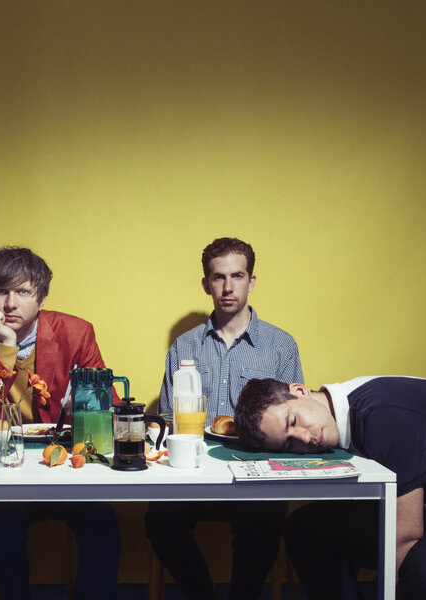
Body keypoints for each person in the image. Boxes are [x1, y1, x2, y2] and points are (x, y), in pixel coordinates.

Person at [0, 246, 121, 600]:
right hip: (4, 470)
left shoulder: (76, 332)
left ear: (41, 298)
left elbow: (109, 409)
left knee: (104, 527)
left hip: (65, 465)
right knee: (1, 536)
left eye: (23, 291)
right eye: (0, 291)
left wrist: (82, 404)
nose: (10, 304)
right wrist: (5, 347)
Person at [145, 237, 304, 600]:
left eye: (237, 276)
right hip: (193, 470)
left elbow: (293, 424)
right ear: (206, 284)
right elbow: (167, 419)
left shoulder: (281, 346)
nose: (228, 287)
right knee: (159, 522)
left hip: (255, 472)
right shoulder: (183, 346)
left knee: (261, 528)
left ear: (251, 281)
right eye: (219, 277)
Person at [235, 376, 426, 600]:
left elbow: (406, 535)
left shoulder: (380, 413)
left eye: (293, 421)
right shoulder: (340, 405)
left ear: (300, 391)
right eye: (289, 443)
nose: (304, 439)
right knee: (303, 529)